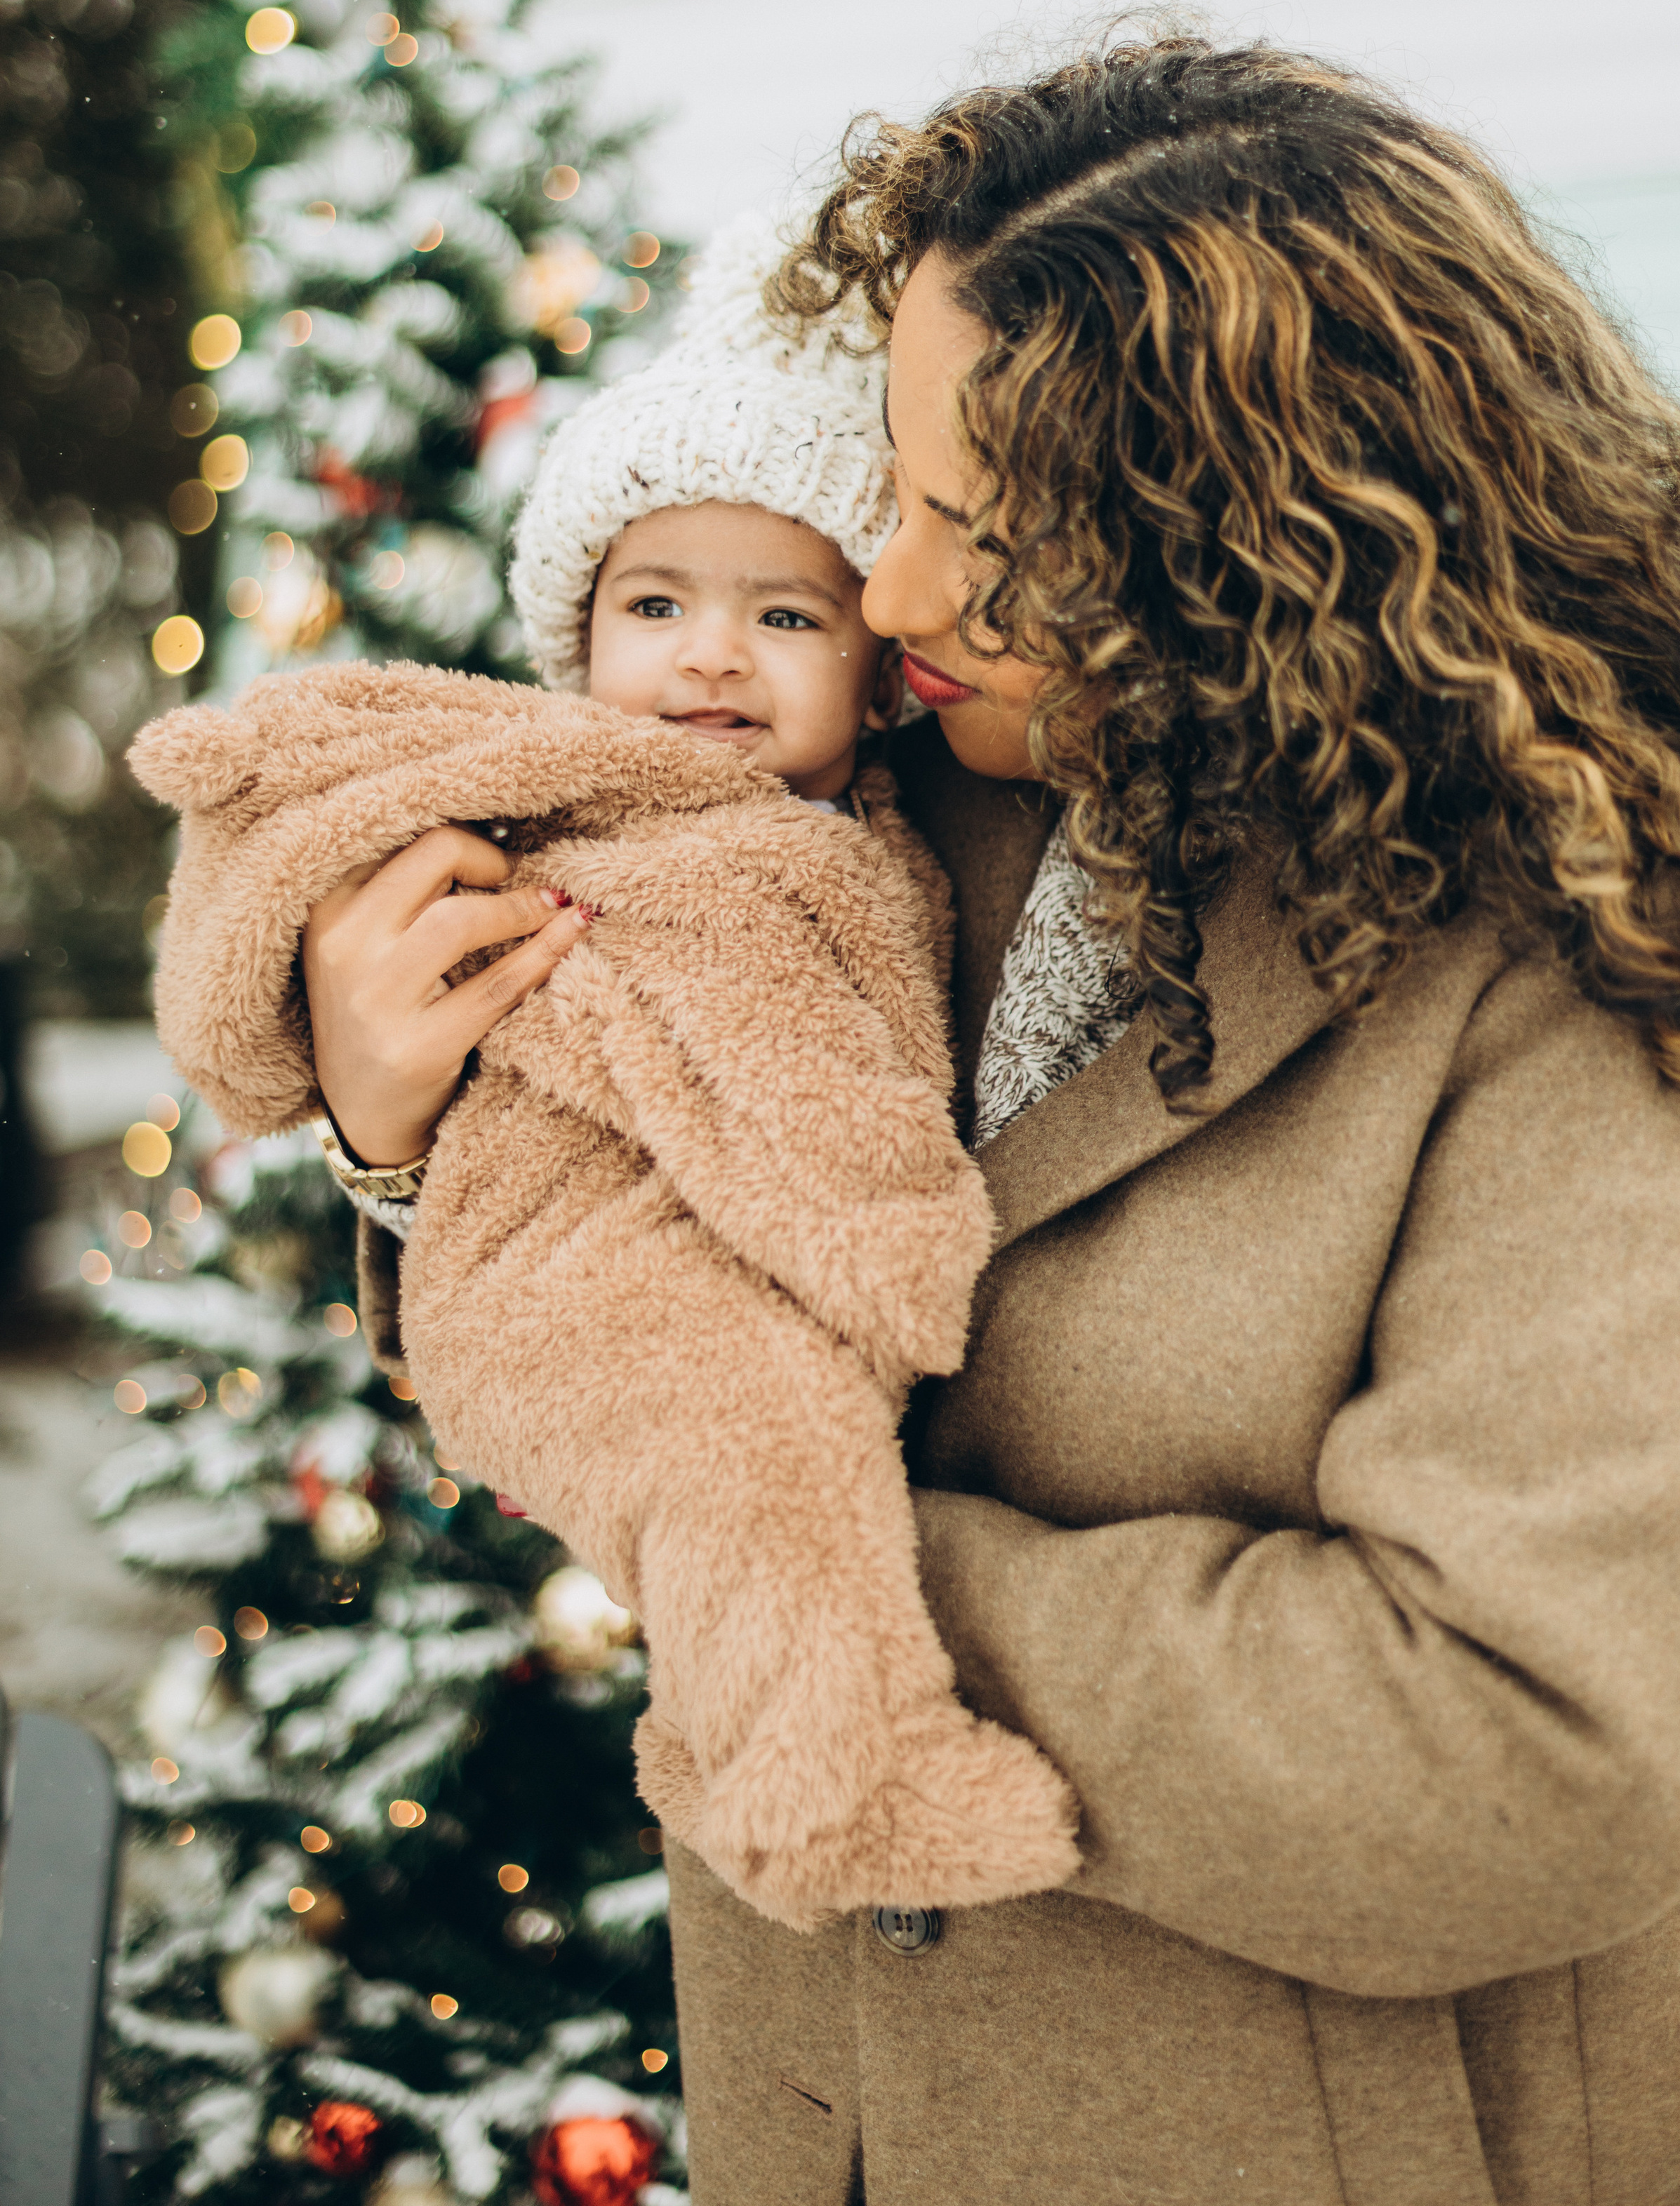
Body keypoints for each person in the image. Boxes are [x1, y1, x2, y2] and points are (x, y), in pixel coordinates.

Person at [307, 41, 1680, 2206]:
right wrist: (400, 1135)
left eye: (982, 535)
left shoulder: (1621, 968)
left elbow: (1526, 1750)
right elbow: (609, 1232)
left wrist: (792, 1553)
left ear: (1248, 552)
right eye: (895, 496)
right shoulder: (887, 795)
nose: (891, 595)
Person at [133, 211, 1078, 1932]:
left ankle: (782, 1770)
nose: (709, 656)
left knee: (765, 1483)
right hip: (569, 1265)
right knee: (765, 1453)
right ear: (577, 641)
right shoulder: (575, 807)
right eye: (654, 606)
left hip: (691, 1266)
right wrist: (879, 1237)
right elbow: (332, 817)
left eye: (782, 613)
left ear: (876, 671)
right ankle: (835, 1798)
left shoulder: (910, 820)